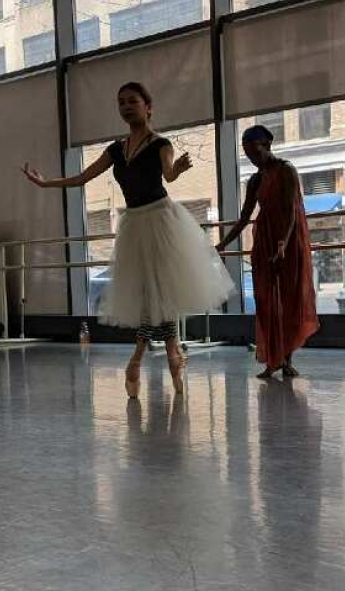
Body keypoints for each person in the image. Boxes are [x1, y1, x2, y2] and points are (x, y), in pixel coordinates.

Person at [23, 82, 233, 396]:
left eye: (132, 101)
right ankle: (170, 354)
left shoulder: (160, 144)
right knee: (151, 295)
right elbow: (82, 177)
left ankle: (143, 358)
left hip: (161, 220)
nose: (126, 107)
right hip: (135, 223)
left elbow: (168, 175)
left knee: (159, 293)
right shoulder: (115, 150)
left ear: (148, 106)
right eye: (121, 102)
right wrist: (46, 184)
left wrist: (177, 169)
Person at [216, 125, 319, 379]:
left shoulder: (286, 170)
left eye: (255, 151)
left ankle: (287, 359)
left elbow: (292, 210)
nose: (252, 158)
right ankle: (273, 360)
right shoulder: (255, 180)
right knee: (266, 301)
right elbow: (244, 217)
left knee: (289, 299)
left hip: (289, 240)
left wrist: (283, 243)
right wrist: (222, 244)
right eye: (247, 154)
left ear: (267, 145)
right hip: (265, 240)